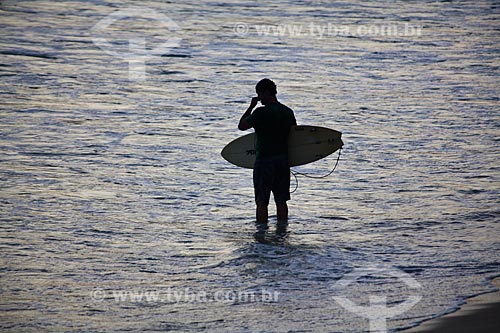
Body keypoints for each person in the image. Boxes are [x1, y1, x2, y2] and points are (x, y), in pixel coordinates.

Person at [238, 78, 297, 228]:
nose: (258, 97)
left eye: (259, 94)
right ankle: (282, 233)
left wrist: (251, 106)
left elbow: (242, 126)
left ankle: (261, 237)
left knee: (262, 202)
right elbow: (296, 137)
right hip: (283, 162)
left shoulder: (260, 112)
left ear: (266, 92)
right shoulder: (287, 112)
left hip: (264, 162)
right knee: (281, 201)